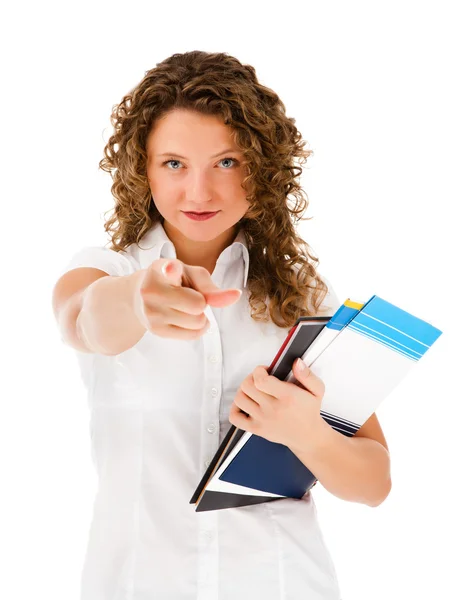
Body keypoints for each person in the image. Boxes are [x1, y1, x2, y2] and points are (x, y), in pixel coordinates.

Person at [52, 50, 391, 600]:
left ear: (262, 168)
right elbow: (82, 321)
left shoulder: (305, 297)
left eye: (227, 162)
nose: (199, 192)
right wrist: (141, 299)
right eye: (174, 163)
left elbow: (374, 483)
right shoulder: (106, 271)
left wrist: (307, 432)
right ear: (143, 168)